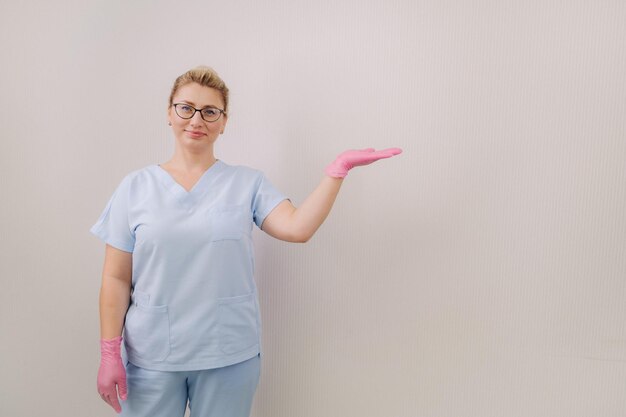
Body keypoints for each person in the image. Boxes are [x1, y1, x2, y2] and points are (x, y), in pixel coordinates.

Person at [90, 65, 402, 417]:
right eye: (186, 107)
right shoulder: (134, 188)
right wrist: (109, 352)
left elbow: (297, 228)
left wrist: (336, 172)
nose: (197, 120)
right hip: (152, 357)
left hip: (228, 355)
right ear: (169, 112)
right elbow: (115, 278)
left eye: (210, 112)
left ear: (223, 122)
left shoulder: (247, 184)